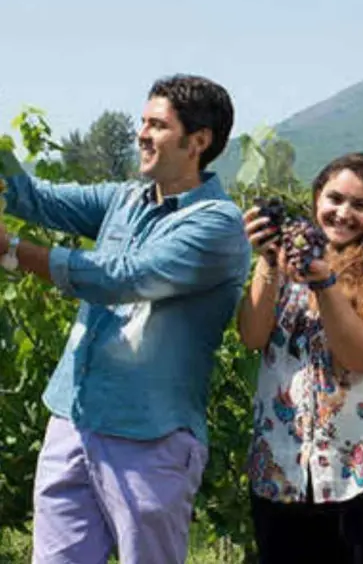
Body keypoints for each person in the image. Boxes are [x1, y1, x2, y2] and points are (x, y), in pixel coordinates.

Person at [0, 75, 250, 563]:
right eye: (143, 121)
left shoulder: (217, 224)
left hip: (148, 437)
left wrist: (11, 250)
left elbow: (123, 277)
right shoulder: (126, 199)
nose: (141, 134)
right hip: (72, 419)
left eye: (157, 124)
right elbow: (34, 197)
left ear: (198, 141)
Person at [238, 152, 363, 564]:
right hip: (281, 469)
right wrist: (268, 262)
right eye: (334, 199)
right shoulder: (286, 260)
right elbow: (252, 335)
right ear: (317, 197)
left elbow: (361, 353)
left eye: (359, 205)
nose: (342, 213)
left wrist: (323, 281)